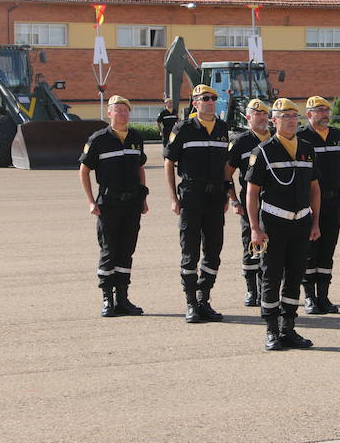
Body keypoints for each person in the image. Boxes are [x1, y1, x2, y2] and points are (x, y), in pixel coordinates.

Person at [246, 98, 320, 351]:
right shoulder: (263, 151)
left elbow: (314, 188)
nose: (290, 120)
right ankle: (271, 330)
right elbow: (252, 193)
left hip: (301, 222)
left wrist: (315, 222)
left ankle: (288, 327)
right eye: (284, 116)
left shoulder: (307, 148)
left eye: (293, 115)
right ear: (273, 120)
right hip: (273, 223)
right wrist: (255, 228)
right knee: (271, 275)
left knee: (295, 275)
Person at [164, 84, 231, 324]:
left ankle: (204, 299)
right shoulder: (183, 128)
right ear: (195, 103)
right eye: (205, 98)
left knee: (214, 251)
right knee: (190, 252)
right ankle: (191, 302)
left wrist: (227, 194)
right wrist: (173, 198)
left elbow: (226, 166)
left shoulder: (223, 128)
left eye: (213, 98)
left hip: (215, 199)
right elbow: (168, 163)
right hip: (191, 197)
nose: (211, 101)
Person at [79, 95, 149, 317]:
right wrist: (90, 201)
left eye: (126, 110)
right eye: (118, 110)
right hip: (108, 204)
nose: (123, 114)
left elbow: (140, 168)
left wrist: (143, 197)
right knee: (109, 251)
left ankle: (123, 298)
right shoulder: (98, 139)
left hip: (132, 203)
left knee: (127, 250)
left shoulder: (136, 137)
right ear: (109, 113)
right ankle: (107, 299)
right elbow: (84, 170)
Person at [297, 96, 340, 315]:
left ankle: (323, 296)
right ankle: (310, 297)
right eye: (320, 110)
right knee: (310, 251)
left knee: (328, 250)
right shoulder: (301, 137)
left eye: (327, 110)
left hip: (332, 202)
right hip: (309, 203)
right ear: (309, 114)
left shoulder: (337, 136)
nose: (325, 114)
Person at [225, 99, 272, 307]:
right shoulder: (240, 142)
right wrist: (235, 201)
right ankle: (252, 290)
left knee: (273, 247)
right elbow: (226, 175)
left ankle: (267, 290)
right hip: (250, 203)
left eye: (264, 113)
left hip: (275, 203)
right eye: (256, 113)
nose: (261, 117)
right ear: (248, 118)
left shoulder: (277, 139)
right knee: (251, 246)